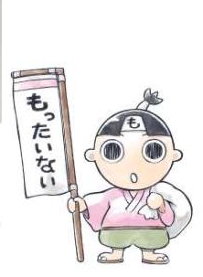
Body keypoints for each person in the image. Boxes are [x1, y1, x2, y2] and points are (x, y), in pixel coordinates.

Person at [67, 89, 192, 265]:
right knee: (113, 238)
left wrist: (161, 206)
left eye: (153, 151)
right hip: (115, 231)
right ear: (94, 155)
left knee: (152, 238)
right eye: (113, 151)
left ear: (173, 155)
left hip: (151, 231)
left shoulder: (157, 192)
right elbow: (98, 204)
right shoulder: (112, 195)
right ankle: (116, 251)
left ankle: (149, 252)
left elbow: (168, 218)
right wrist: (82, 205)